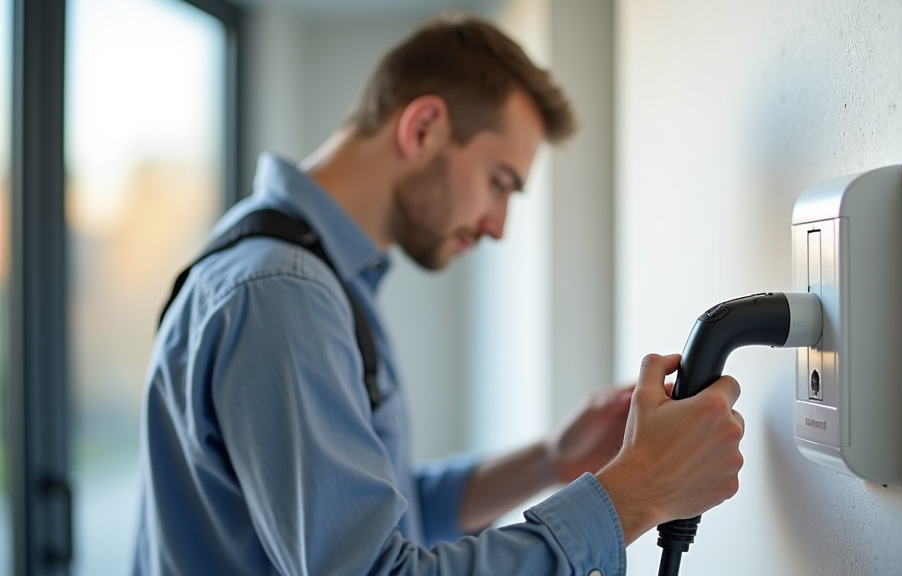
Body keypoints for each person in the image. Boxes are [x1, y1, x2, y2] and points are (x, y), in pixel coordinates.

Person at [133, 12, 745, 576]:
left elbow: (378, 514)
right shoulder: (285, 296)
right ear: (424, 127)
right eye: (499, 183)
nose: (498, 226)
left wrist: (551, 459)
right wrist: (636, 494)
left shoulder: (309, 278)